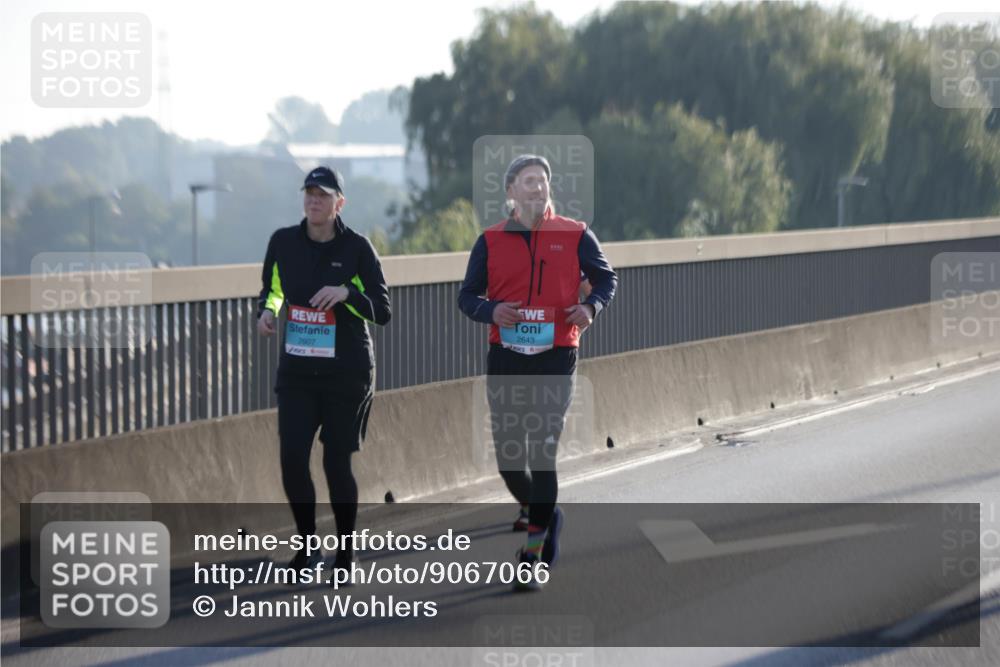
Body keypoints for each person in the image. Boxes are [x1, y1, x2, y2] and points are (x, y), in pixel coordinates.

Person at [458, 154, 617, 591]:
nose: (537, 187)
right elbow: (466, 297)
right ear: (511, 191)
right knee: (511, 461)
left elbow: (606, 279)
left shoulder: (575, 234)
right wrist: (492, 310)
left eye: (542, 181)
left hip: (555, 357)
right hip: (507, 358)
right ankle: (546, 514)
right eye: (528, 181)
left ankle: (531, 554)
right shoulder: (490, 240)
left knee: (542, 453)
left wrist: (590, 307)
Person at [257, 166, 391, 581]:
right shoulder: (282, 243)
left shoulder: (357, 249)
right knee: (292, 459)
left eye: (323, 195)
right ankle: (308, 548)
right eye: (309, 194)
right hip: (298, 372)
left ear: (339, 203)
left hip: (346, 372)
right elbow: (273, 289)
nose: (314, 201)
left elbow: (382, 310)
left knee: (336, 463)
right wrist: (267, 311)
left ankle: (346, 555)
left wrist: (347, 293)